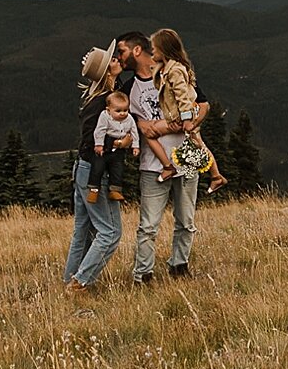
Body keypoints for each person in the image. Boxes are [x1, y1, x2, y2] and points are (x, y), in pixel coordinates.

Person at [115, 31, 208, 282]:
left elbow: (203, 104)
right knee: (148, 226)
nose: (119, 58)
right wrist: (144, 123)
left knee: (186, 220)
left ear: (137, 51)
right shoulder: (128, 88)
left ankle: (179, 266)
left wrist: (179, 125)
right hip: (153, 164)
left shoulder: (172, 72)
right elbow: (137, 125)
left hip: (186, 158)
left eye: (122, 51)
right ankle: (142, 274)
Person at [62, 40, 124, 295]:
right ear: (106, 71)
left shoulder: (93, 98)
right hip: (95, 173)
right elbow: (93, 140)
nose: (118, 60)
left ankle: (69, 280)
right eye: (113, 60)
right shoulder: (102, 104)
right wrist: (121, 141)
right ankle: (80, 282)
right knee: (110, 233)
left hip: (82, 169)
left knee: (83, 230)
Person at [149, 27, 227, 193]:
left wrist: (186, 120)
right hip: (184, 114)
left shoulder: (175, 71)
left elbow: (182, 97)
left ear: (163, 50)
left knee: (153, 133)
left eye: (154, 49)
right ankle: (216, 176)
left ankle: (212, 176)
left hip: (185, 115)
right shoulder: (168, 68)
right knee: (197, 142)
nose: (151, 52)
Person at [88, 90, 138, 203]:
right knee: (97, 168)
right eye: (118, 111)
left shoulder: (129, 119)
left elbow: (134, 132)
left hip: (119, 151)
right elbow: (99, 131)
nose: (122, 113)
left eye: (125, 110)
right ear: (108, 110)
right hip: (105, 149)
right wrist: (99, 145)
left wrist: (135, 146)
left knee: (117, 169)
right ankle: (93, 189)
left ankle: (115, 190)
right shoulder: (105, 117)